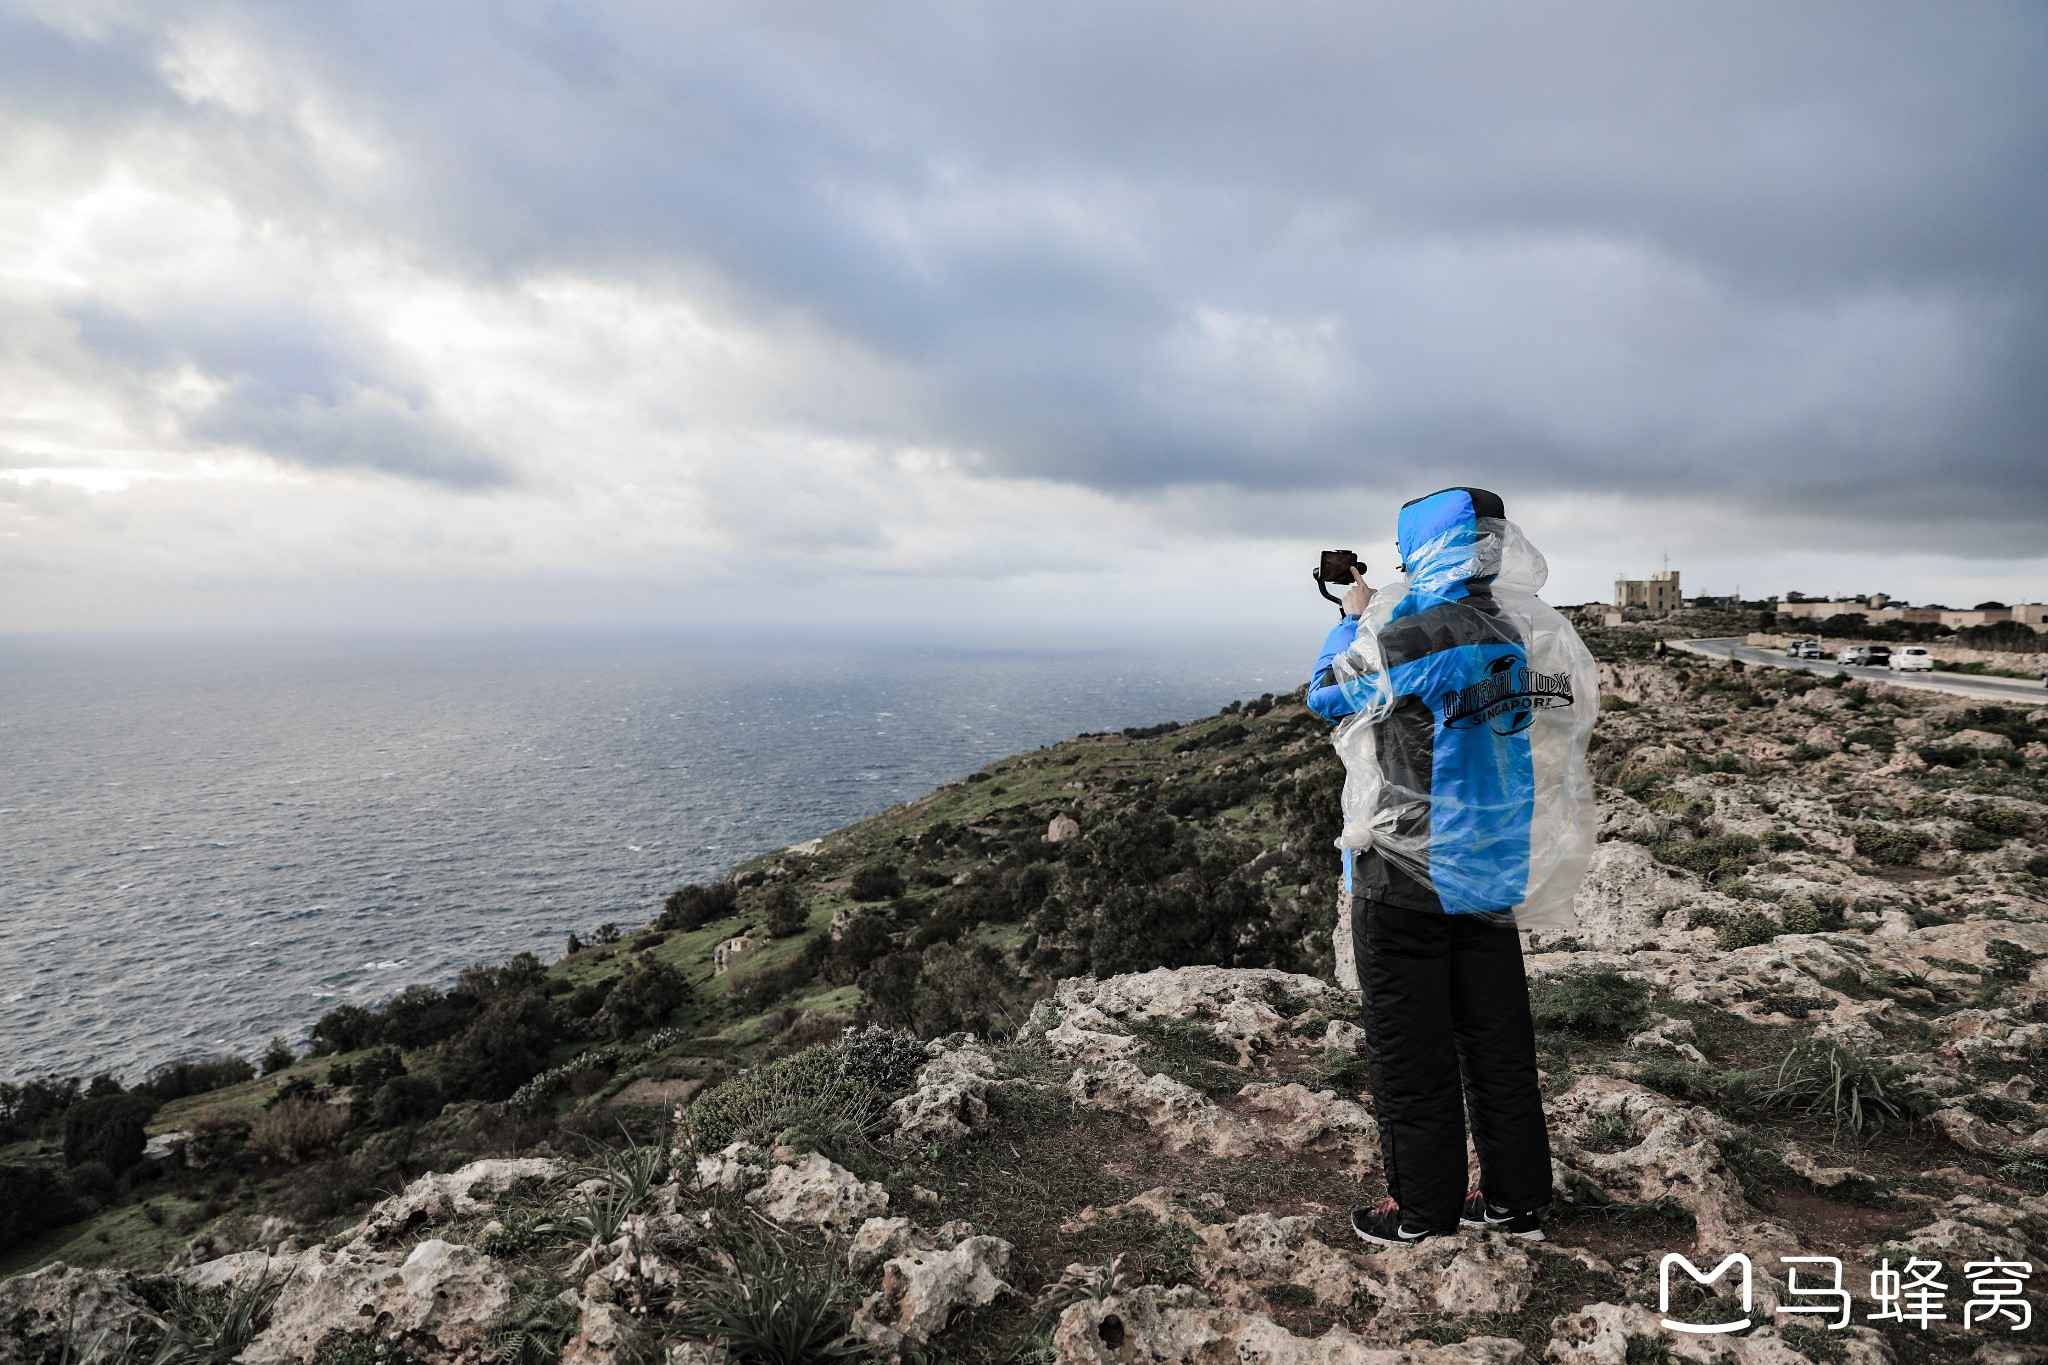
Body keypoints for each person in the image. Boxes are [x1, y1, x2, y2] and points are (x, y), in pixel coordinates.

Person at [1304, 486, 1598, 1248]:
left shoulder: (1421, 634)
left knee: (1413, 1052)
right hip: (1489, 869)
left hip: (1405, 880)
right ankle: (1516, 1200)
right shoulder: (1513, 628)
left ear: (1427, 551)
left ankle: (1422, 1210)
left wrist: (1354, 617)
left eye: (1408, 551)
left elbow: (1330, 693)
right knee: (1499, 1046)